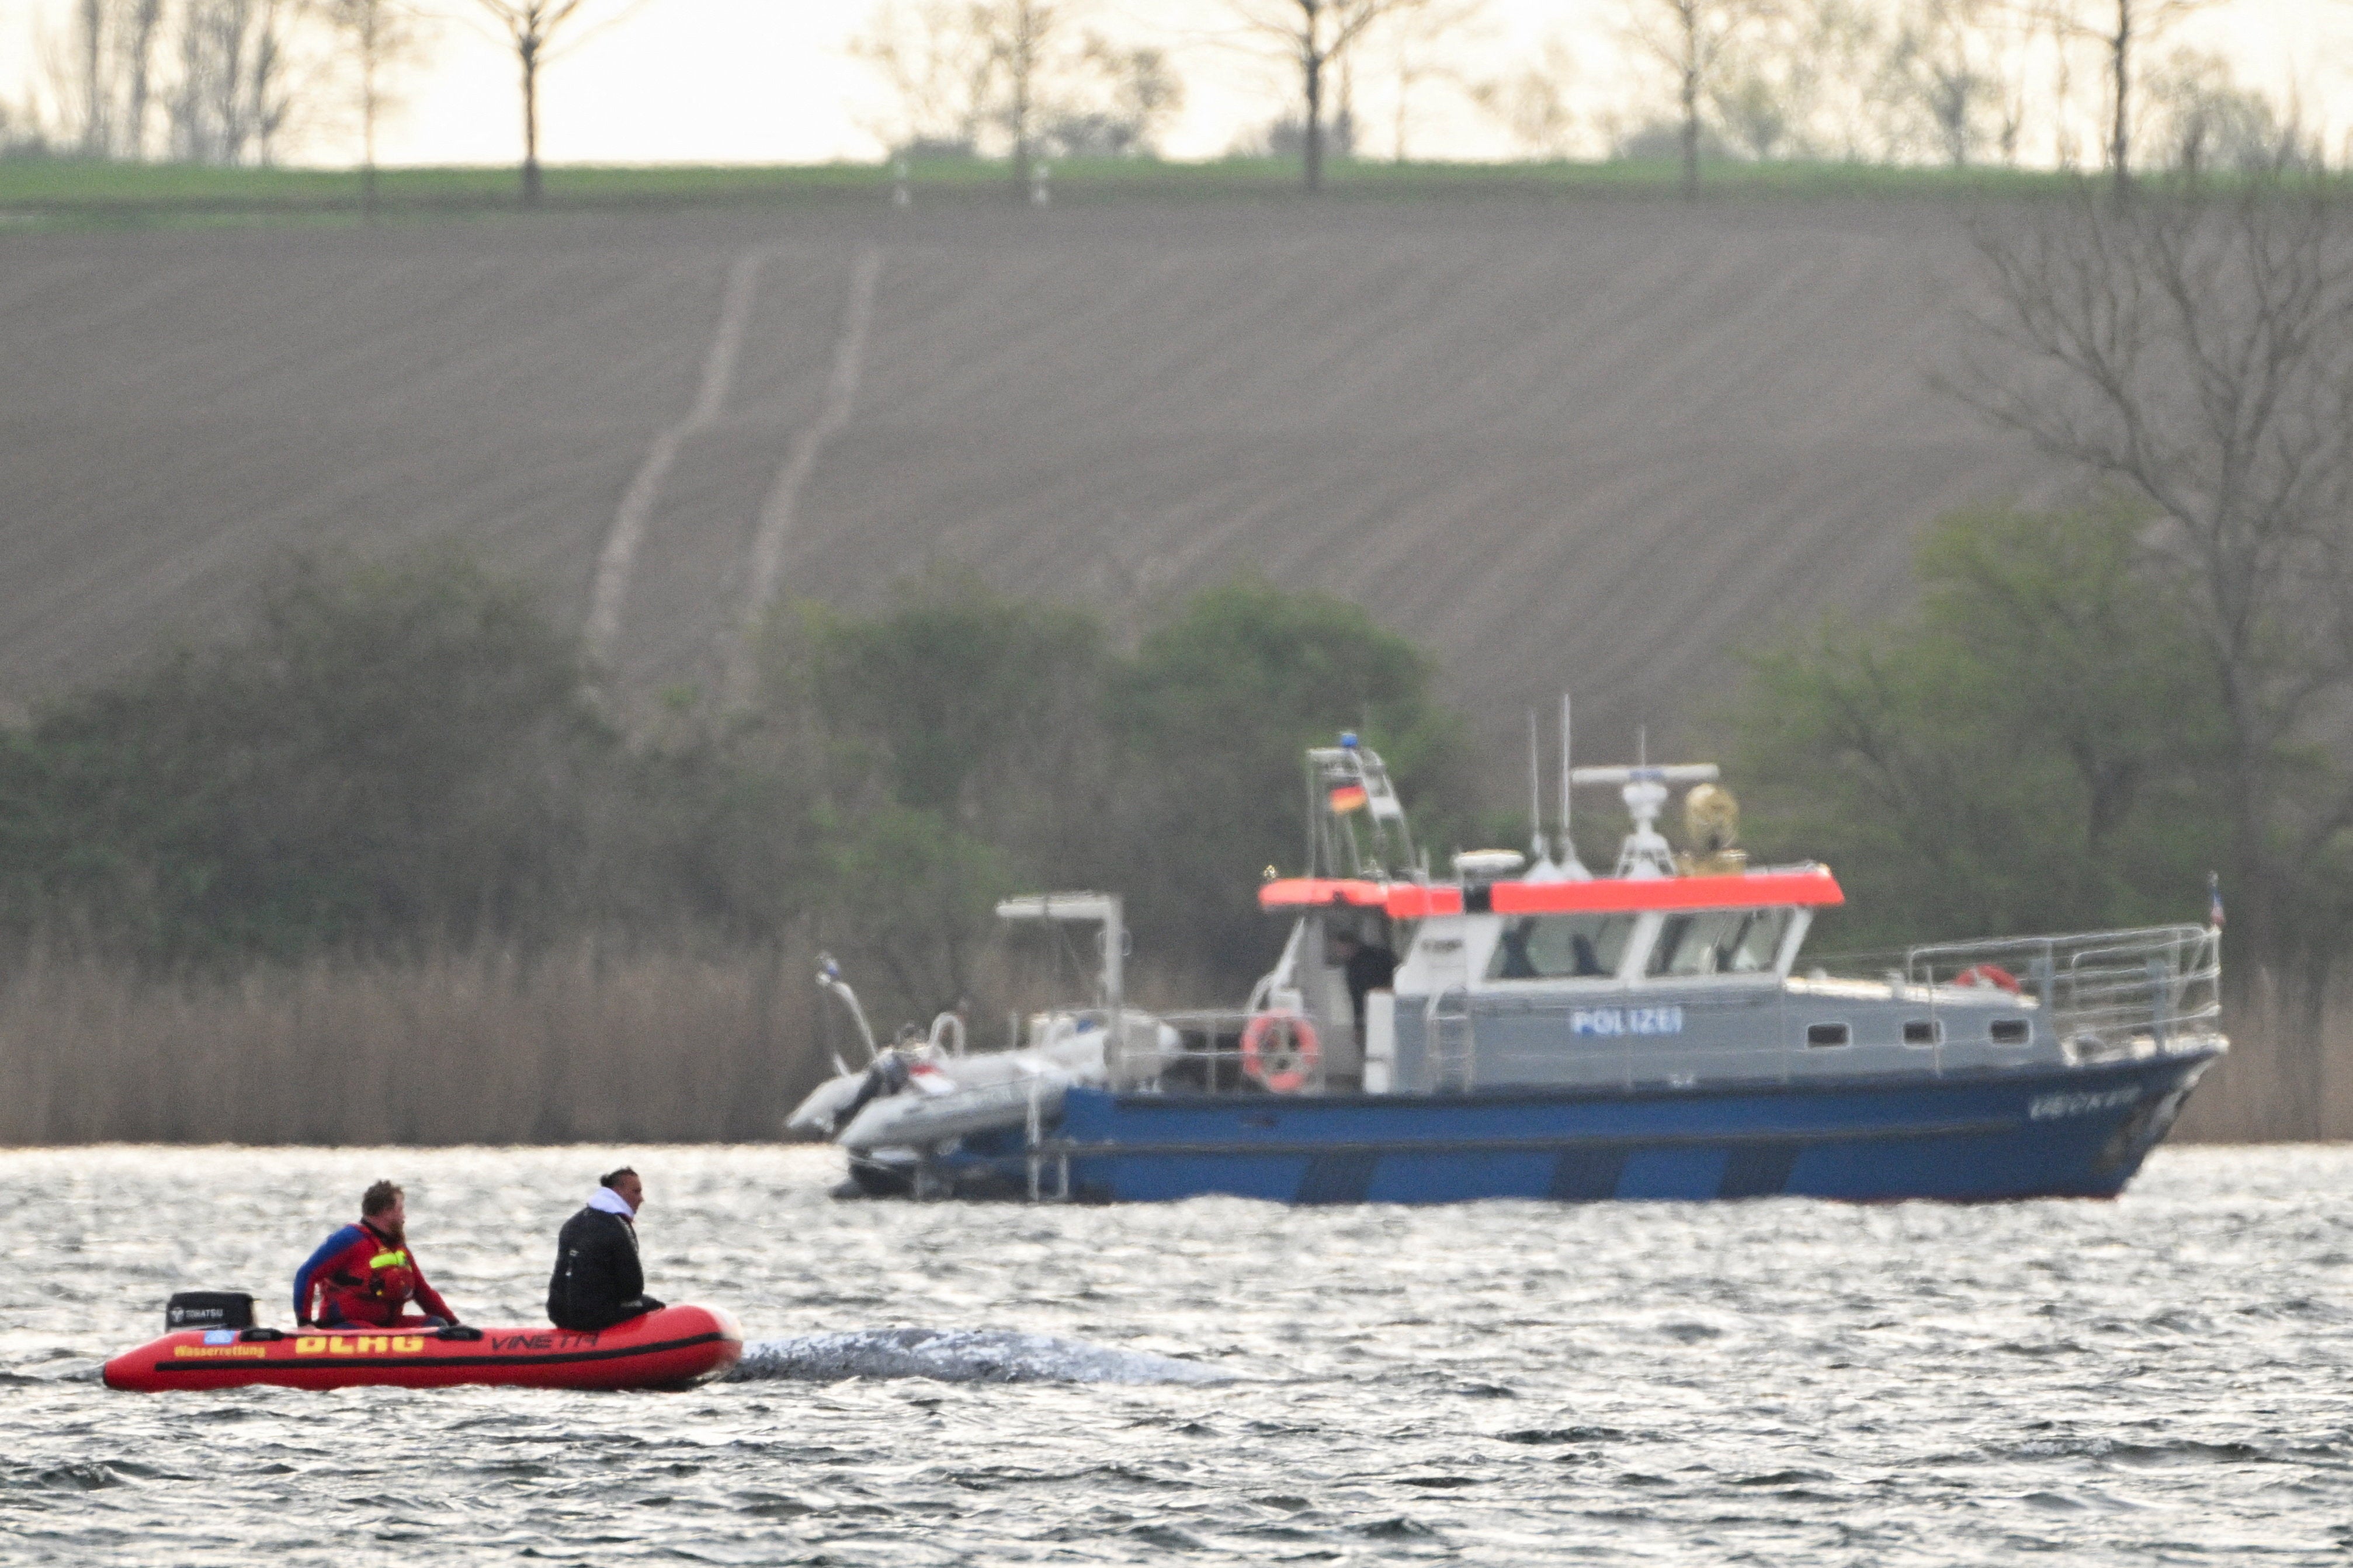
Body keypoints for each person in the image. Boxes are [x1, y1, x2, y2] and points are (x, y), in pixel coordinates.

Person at [294, 1179, 458, 1330]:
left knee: (437, 1324)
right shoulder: (347, 1239)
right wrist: (305, 1323)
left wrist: (454, 1324)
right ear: (386, 1212)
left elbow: (422, 1292)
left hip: (388, 1326)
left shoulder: (398, 1247)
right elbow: (307, 1274)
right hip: (349, 1326)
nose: (404, 1217)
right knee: (369, 1335)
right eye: (400, 1210)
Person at [547, 1167, 666, 1331]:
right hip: (594, 1317)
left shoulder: (573, 1223)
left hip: (559, 1314)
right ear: (618, 1192)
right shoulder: (618, 1226)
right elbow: (633, 1287)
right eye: (636, 1192)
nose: (641, 1199)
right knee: (654, 1306)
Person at [1331, 926, 1399, 1045]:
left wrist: (1359, 1027)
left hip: (1381, 1007)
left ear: (1348, 945)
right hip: (1380, 1008)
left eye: (1339, 948)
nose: (1339, 952)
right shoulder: (1376, 954)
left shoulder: (1367, 961)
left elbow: (1357, 998)